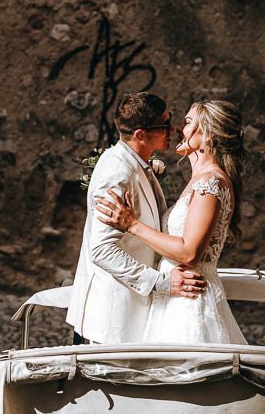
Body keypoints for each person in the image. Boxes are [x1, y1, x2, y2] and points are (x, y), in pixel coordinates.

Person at [94, 99, 249, 346]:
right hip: (173, 296)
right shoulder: (200, 180)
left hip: (188, 299)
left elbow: (189, 252)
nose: (178, 128)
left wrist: (132, 224)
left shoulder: (210, 183)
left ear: (208, 135)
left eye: (187, 123)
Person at [66, 91, 205, 345]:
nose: (172, 129)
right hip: (114, 314)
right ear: (141, 135)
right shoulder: (117, 173)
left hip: (133, 310)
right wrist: (162, 282)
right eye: (164, 125)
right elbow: (102, 250)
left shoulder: (137, 163)